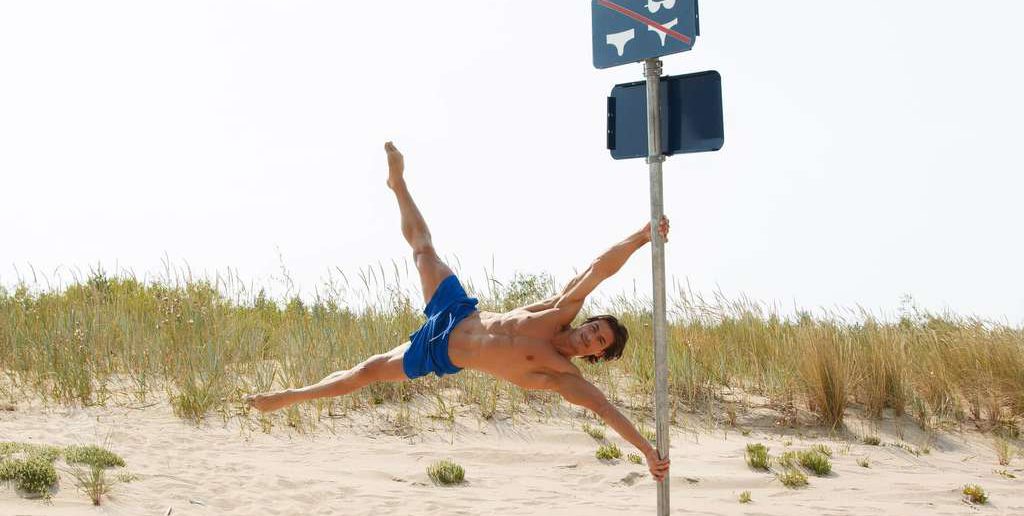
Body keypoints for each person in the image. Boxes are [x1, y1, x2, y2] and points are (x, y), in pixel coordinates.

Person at [245, 141, 671, 482]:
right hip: (457, 311)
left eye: (597, 341)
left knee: (366, 373)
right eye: (594, 327)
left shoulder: (561, 375)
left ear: (595, 355)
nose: (589, 335)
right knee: (424, 249)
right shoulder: (558, 310)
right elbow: (599, 269)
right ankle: (398, 185)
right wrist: (642, 236)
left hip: (439, 352)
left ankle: (286, 398)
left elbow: (606, 411)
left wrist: (648, 451)